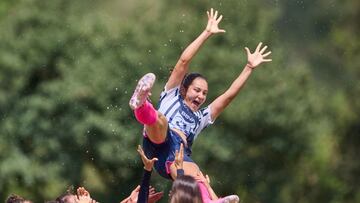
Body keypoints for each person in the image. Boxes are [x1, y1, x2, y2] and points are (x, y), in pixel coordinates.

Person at [129, 7, 271, 202]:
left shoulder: (201, 117)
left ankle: (211, 201)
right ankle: (141, 104)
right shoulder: (172, 95)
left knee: (197, 175)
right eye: (197, 90)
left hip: (175, 154)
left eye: (205, 93)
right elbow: (183, 61)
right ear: (184, 89)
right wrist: (206, 33)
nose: (201, 96)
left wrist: (249, 68)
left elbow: (228, 96)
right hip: (158, 137)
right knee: (161, 120)